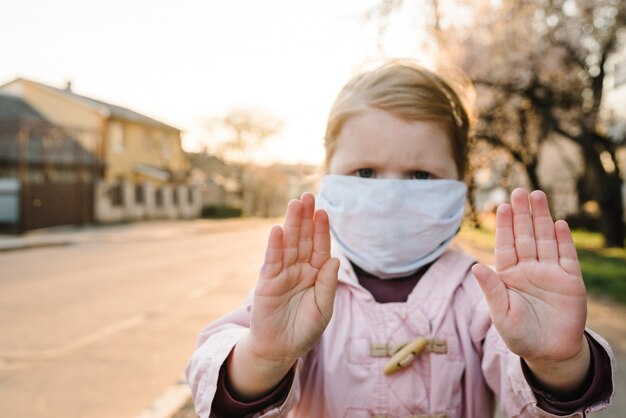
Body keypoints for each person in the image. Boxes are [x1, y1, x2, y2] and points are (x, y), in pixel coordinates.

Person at [186, 61, 614, 417]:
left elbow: (529, 395)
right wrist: (263, 357)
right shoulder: (299, 288)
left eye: (420, 175)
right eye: (366, 173)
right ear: (326, 176)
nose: (390, 193)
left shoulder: (480, 292)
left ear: (460, 184)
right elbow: (213, 367)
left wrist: (559, 362)